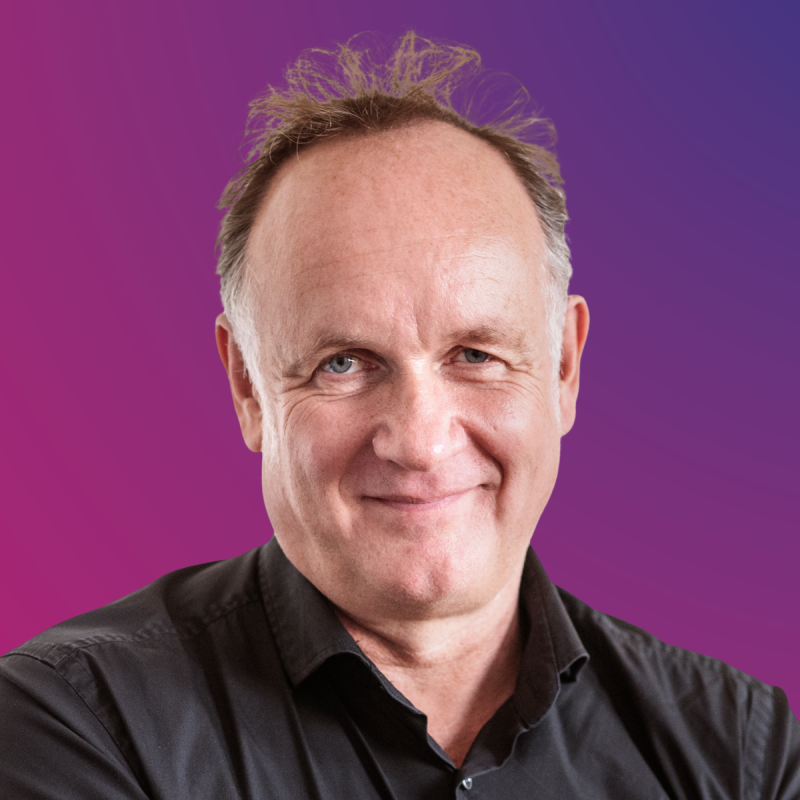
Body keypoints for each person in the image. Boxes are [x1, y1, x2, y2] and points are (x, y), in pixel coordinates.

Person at [1, 32, 798, 799]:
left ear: (564, 366)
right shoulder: (74, 723)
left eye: (475, 354)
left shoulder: (739, 751)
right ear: (248, 387)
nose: (419, 442)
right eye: (344, 363)